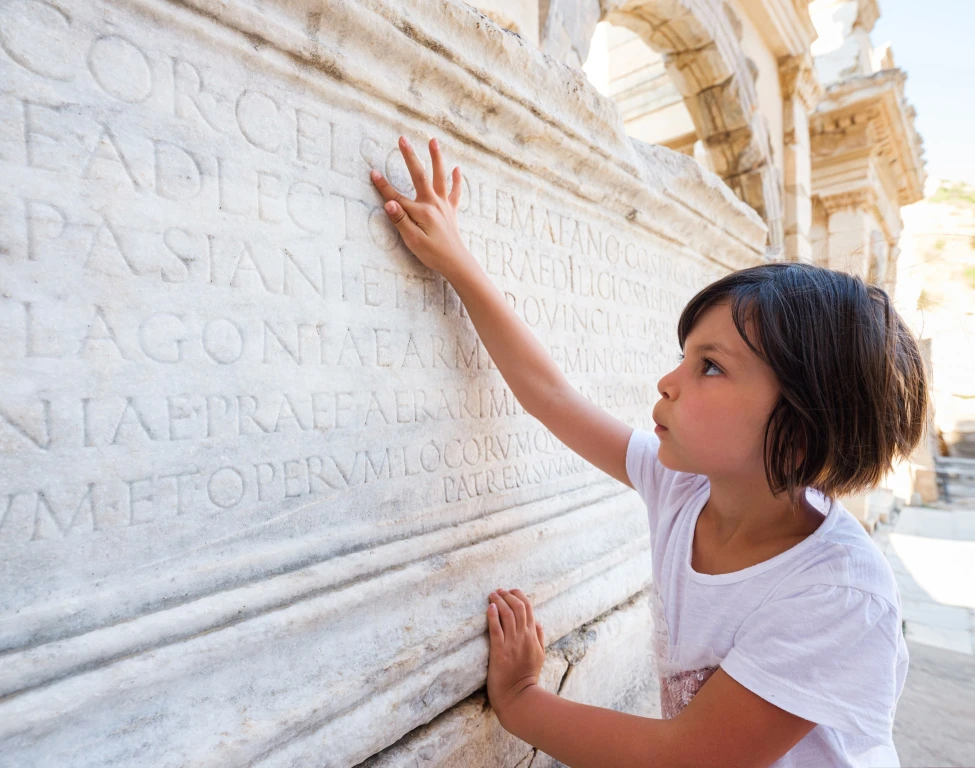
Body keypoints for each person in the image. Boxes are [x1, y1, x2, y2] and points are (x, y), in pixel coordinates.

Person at [370, 135, 927, 768]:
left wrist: (523, 700)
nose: (668, 381)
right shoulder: (686, 490)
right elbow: (549, 395)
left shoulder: (837, 592)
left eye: (710, 367)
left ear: (799, 432)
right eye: (686, 355)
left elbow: (685, 756)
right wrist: (459, 264)